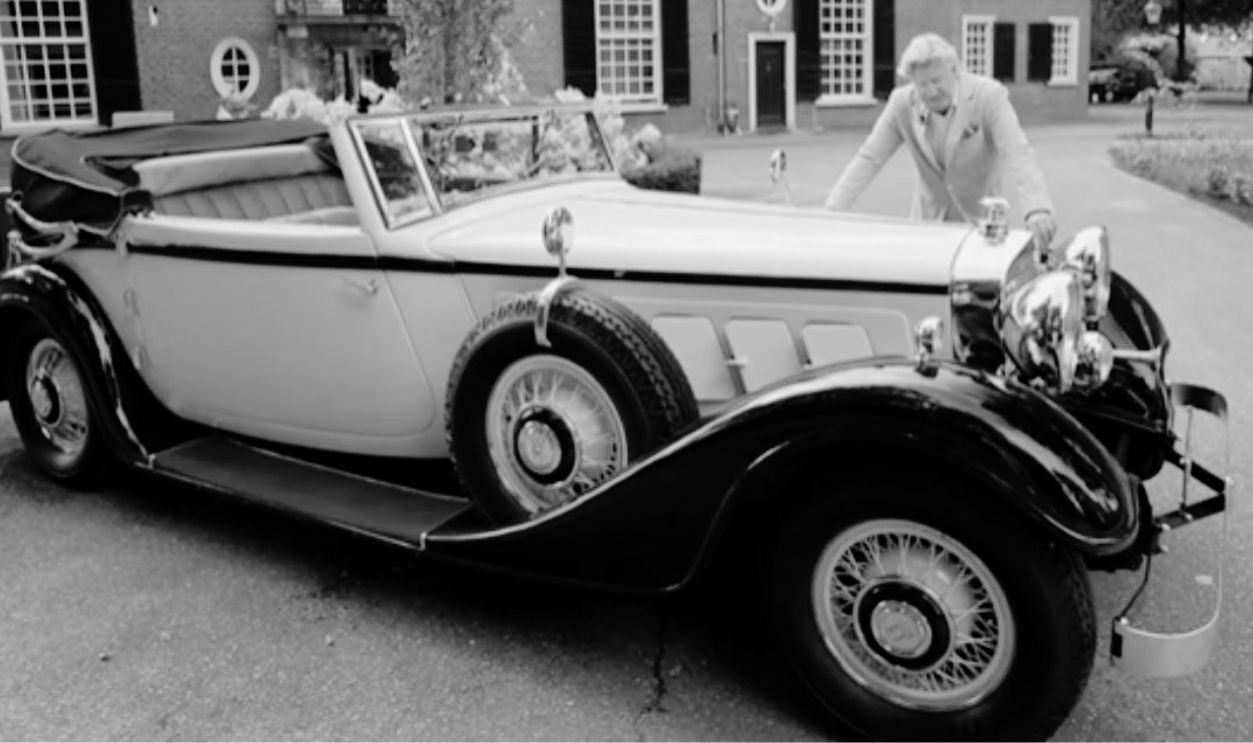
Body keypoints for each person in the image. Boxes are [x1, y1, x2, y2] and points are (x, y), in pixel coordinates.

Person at [825, 33, 1058, 248]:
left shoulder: (989, 96)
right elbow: (869, 158)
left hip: (983, 230)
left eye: (937, 81)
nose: (931, 92)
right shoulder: (901, 103)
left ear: (955, 70)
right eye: (922, 85)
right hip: (926, 227)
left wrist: (1037, 208)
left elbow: (1017, 152)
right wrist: (831, 211)